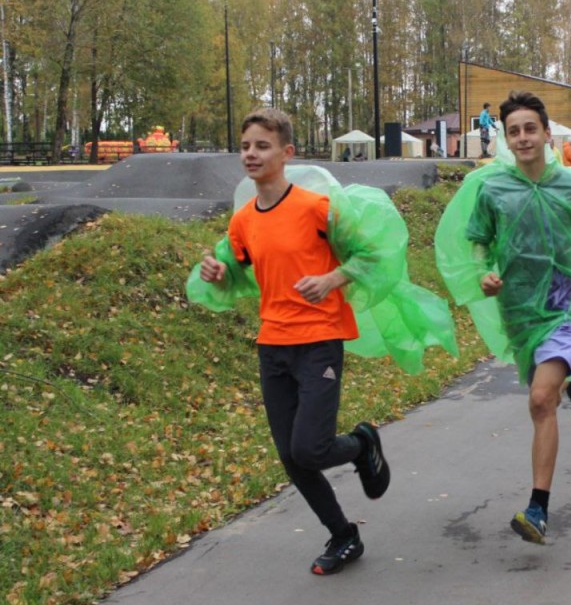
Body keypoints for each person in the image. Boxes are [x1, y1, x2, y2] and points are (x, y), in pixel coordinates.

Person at [187, 107, 458, 575]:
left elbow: (373, 257)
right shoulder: (244, 221)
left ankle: (361, 443)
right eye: (246, 146)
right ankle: (343, 535)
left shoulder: (317, 210)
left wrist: (332, 278)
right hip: (272, 344)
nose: (251, 154)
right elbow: (236, 276)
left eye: (262, 145)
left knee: (310, 448)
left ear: (287, 153)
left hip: (319, 340)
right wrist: (217, 272)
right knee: (292, 458)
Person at [435, 90, 571, 545]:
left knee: (540, 400)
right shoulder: (492, 188)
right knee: (543, 391)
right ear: (506, 140)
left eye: (531, 129)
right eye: (514, 132)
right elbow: (478, 241)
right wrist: (483, 273)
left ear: (548, 134)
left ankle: (538, 509)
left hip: (565, 304)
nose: (523, 137)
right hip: (518, 308)